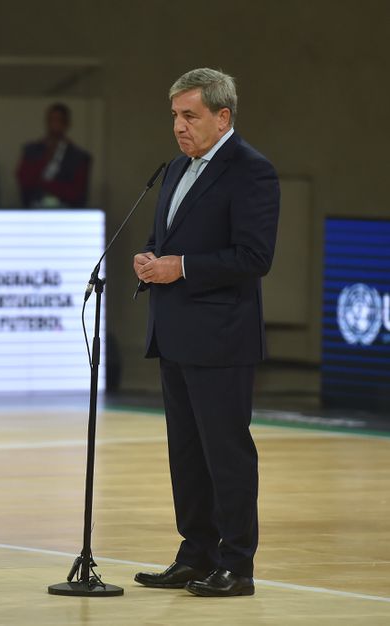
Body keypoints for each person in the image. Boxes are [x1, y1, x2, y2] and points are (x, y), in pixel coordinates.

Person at [132, 68, 280, 597]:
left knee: (226, 454)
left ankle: (236, 565)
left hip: (221, 338)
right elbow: (166, 238)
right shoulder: (175, 168)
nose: (179, 126)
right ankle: (195, 554)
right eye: (174, 115)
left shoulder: (251, 171)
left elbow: (254, 257)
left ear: (223, 116)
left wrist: (183, 268)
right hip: (175, 333)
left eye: (189, 115)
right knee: (187, 455)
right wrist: (150, 259)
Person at [16, 103, 91, 208]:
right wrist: (45, 157)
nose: (55, 124)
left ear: (67, 123)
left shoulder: (78, 157)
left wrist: (46, 185)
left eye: (59, 120)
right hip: (35, 209)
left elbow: (77, 192)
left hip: (66, 211)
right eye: (51, 120)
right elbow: (25, 181)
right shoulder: (31, 151)